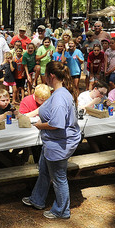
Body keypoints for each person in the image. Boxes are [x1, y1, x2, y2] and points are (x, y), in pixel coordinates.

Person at [22, 61, 81, 219]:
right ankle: (37, 199)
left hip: (59, 144)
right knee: (44, 171)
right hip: (52, 142)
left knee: (59, 178)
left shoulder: (60, 97)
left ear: (51, 76)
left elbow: (57, 123)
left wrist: (40, 125)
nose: (44, 77)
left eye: (45, 75)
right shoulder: (59, 92)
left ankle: (62, 210)